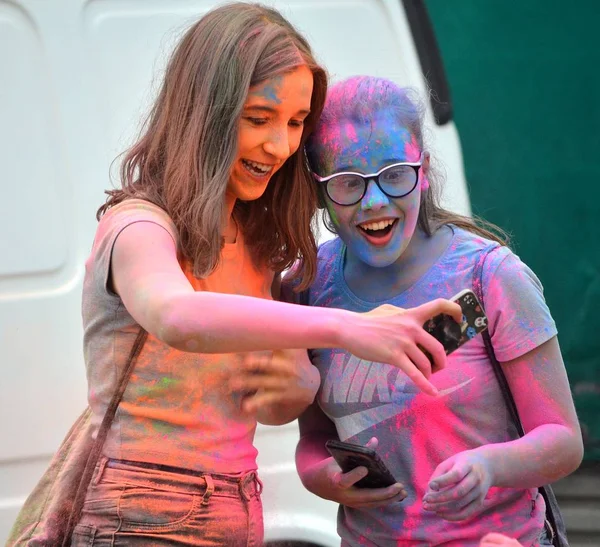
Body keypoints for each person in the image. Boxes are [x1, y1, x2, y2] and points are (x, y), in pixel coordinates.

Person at [71, 6, 461, 547]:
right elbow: (177, 316)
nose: (280, 146)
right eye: (259, 118)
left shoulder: (259, 247)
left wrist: (299, 385)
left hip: (238, 508)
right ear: (205, 113)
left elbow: (268, 408)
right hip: (138, 516)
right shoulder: (137, 225)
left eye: (297, 123)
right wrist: (349, 328)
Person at [285, 75, 584, 546]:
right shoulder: (307, 288)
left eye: (395, 174)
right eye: (348, 182)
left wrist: (489, 466)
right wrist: (322, 476)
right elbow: (313, 437)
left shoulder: (489, 277)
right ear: (319, 189)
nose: (375, 201)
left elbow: (563, 440)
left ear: (422, 169)